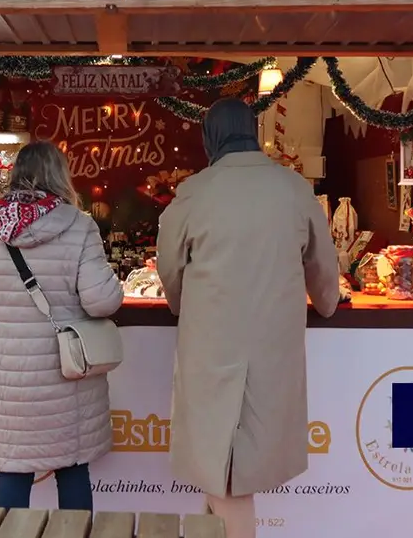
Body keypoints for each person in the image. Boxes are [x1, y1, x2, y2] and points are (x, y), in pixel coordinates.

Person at [157, 98, 342, 538]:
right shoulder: (294, 189)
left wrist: (182, 303)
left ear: (209, 139)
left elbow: (169, 266)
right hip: (272, 351)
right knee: (227, 472)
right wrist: (326, 302)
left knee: (222, 471)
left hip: (210, 349)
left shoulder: (195, 191)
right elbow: (325, 275)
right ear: (255, 132)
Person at [0, 140, 123, 511]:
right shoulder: (80, 226)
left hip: (7, 382)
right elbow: (101, 301)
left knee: (14, 472)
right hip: (65, 379)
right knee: (73, 470)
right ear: (61, 176)